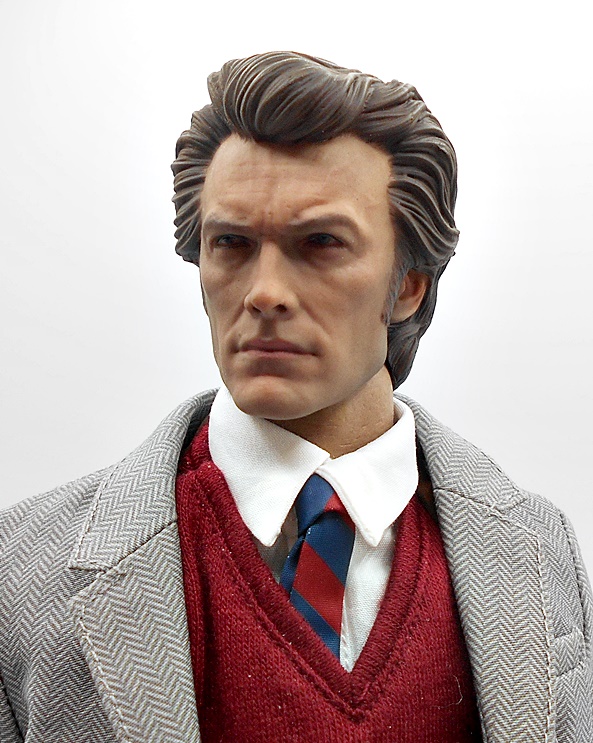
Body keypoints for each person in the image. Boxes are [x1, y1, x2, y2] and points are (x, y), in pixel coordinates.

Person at [0, 52, 591, 743]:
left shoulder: (540, 550)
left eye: (320, 243)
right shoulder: (23, 571)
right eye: (230, 243)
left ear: (409, 284)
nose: (265, 293)